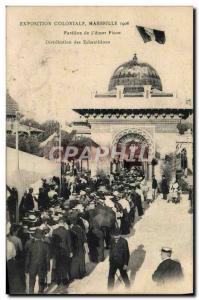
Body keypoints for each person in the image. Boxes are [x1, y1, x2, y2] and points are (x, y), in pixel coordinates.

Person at [25, 228, 50, 294]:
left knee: (31, 281)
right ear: (42, 236)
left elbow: (28, 258)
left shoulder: (31, 245)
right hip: (42, 266)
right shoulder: (46, 245)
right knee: (41, 281)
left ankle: (31, 294)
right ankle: (40, 293)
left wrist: (26, 268)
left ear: (35, 236)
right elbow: (47, 258)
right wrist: (48, 268)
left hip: (32, 266)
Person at [52, 217, 73, 286]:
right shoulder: (66, 231)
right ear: (63, 224)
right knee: (64, 265)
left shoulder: (54, 231)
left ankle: (58, 280)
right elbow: (69, 243)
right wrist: (70, 251)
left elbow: (53, 242)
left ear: (58, 224)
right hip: (65, 250)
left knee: (58, 265)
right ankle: (64, 280)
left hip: (56, 250)